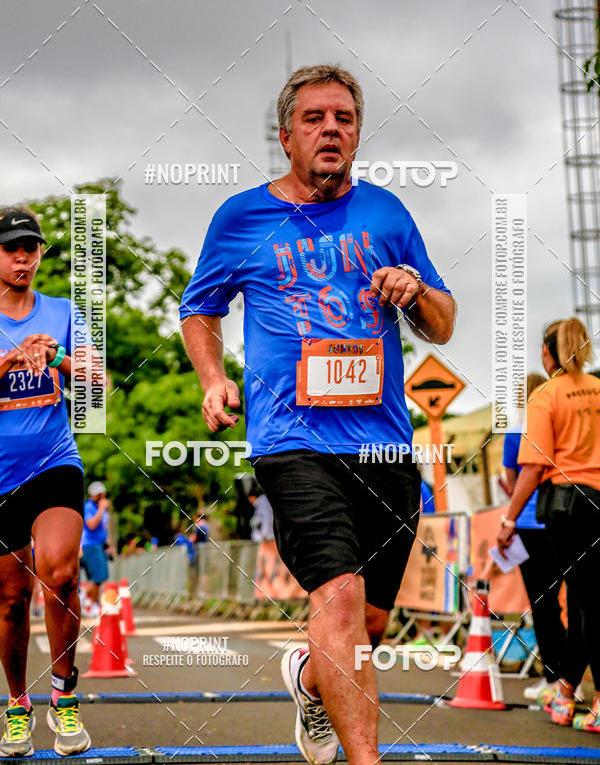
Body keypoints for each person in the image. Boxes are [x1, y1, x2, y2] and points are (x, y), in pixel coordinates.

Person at [180, 64, 455, 765]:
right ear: (286, 136)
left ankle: (309, 679)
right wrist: (214, 380)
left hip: (384, 446)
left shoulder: (387, 214)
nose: (331, 128)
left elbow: (444, 324)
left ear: (357, 136)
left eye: (344, 119)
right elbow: (199, 310)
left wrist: (414, 287)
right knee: (337, 597)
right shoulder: (241, 217)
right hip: (290, 438)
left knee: (368, 624)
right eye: (315, 118)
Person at [0, 207, 95, 756]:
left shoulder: (62, 311)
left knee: (58, 572)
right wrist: (12, 356)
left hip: (53, 462)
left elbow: (95, 371)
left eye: (31, 248)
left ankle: (64, 697)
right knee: (10, 599)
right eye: (12, 248)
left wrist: (55, 355)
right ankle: (17, 703)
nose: (22, 258)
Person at [497, 318, 600, 733]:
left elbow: (531, 468)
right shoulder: (597, 387)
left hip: (568, 507)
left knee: (585, 604)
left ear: (547, 352)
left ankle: (576, 696)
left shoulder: (547, 395)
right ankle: (566, 691)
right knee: (583, 602)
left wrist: (507, 519)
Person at [503, 372, 573, 700]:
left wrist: (509, 518)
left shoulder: (516, 431)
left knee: (542, 604)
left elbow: (511, 482)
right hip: (565, 519)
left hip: (529, 524)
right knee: (577, 603)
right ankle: (570, 680)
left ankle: (553, 678)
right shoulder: (563, 427)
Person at [80, 482, 111, 618]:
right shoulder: (89, 506)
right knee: (97, 576)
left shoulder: (100, 508)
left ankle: (92, 603)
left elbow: (104, 528)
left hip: (99, 545)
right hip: (90, 545)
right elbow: (91, 525)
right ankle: (84, 599)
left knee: (98, 577)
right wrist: (101, 509)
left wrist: (108, 545)